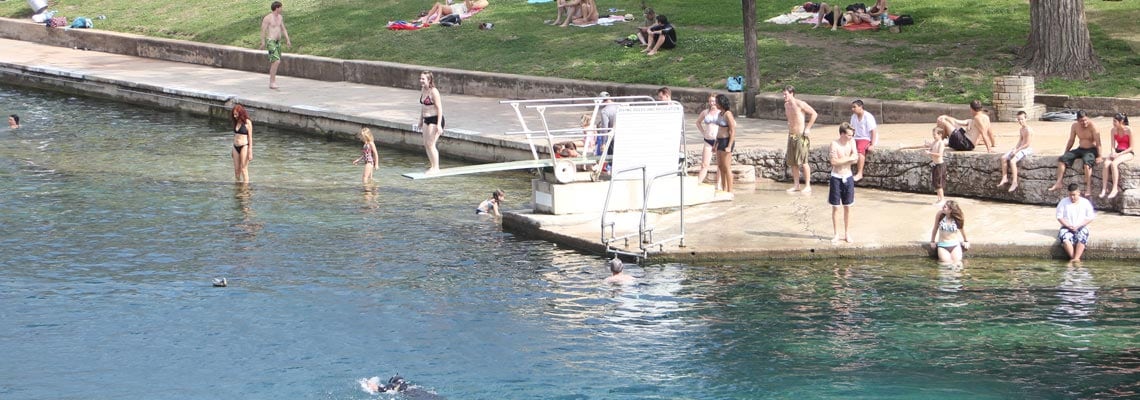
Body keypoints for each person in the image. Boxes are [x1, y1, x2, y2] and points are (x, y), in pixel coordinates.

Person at [1048, 110, 1102, 196]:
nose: (1084, 122)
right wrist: (1066, 152)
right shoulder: (1075, 126)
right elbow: (1071, 140)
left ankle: (1088, 188)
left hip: (1091, 149)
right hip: (1080, 149)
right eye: (1081, 121)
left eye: (1085, 120)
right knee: (1062, 159)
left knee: (1087, 164)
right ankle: (1059, 182)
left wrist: (1100, 156)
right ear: (1077, 120)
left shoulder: (1093, 126)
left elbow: (1098, 143)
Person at [783, 85, 818, 193]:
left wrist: (808, 128)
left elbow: (814, 114)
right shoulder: (786, 105)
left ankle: (808, 185)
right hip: (791, 135)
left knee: (803, 161)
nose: (784, 96)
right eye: (783, 94)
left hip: (801, 135)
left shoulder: (800, 104)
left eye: (786, 94)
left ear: (792, 93)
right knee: (793, 162)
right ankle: (796, 185)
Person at [828, 122, 859, 243]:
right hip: (836, 177)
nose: (851, 137)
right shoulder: (834, 144)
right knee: (836, 207)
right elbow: (834, 162)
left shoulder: (852, 142)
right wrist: (849, 158)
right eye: (849, 135)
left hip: (848, 176)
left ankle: (847, 233)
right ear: (842, 134)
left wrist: (845, 160)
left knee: (848, 207)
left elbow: (855, 159)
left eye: (852, 135)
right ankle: (836, 234)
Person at [1056, 183, 1095, 262]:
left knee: (1082, 238)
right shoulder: (1063, 202)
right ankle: (1073, 257)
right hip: (1067, 227)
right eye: (1070, 195)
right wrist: (1068, 225)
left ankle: (1076, 258)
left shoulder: (1085, 202)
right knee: (1065, 238)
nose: (1072, 197)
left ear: (1078, 193)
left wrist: (1079, 225)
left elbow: (1090, 217)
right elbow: (1059, 217)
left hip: (1081, 226)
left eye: (1074, 195)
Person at [997, 111, 1034, 192]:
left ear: (1026, 119)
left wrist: (1017, 150)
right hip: (1020, 147)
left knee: (1012, 161)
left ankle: (1014, 182)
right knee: (1003, 158)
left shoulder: (1028, 130)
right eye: (1019, 119)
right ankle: (1004, 177)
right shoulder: (1021, 129)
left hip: (1026, 149)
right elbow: (1020, 140)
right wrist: (1015, 148)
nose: (1020, 121)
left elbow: (1027, 144)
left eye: (1022, 119)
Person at [259, 1, 292, 90]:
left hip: (278, 42)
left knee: (276, 62)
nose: (282, 9)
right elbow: (263, 30)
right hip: (271, 41)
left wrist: (288, 40)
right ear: (277, 8)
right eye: (281, 7)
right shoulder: (268, 18)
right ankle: (272, 82)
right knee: (276, 61)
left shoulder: (280, 17)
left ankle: (272, 81)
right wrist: (263, 42)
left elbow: (283, 29)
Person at [1099, 113, 1132, 199]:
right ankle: (1104, 188)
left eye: (1115, 121)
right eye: (1113, 121)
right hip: (1117, 151)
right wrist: (1113, 152)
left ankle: (1115, 188)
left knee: (1114, 164)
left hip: (1127, 152)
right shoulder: (1113, 130)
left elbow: (1131, 147)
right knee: (1106, 164)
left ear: (1121, 121)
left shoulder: (1128, 130)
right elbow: (1113, 146)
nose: (1113, 123)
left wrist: (1119, 154)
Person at [928, 200, 970, 267]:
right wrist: (932, 241)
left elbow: (962, 229)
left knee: (958, 264)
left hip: (955, 245)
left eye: (945, 207)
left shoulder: (957, 218)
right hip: (943, 246)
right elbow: (935, 228)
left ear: (950, 210)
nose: (942, 207)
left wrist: (966, 241)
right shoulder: (940, 214)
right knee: (945, 264)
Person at [418, 71, 444, 174]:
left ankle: (436, 168)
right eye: (420, 78)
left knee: (431, 144)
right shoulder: (423, 89)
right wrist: (420, 120)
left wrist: (439, 125)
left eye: (423, 79)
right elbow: (423, 106)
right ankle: (432, 166)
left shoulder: (434, 92)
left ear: (429, 80)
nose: (421, 81)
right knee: (425, 144)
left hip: (435, 119)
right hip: (426, 119)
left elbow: (440, 109)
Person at [693, 94, 720, 185]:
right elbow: (698, 122)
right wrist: (703, 132)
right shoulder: (705, 112)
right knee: (704, 164)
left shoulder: (721, 112)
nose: (712, 103)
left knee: (719, 165)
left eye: (713, 101)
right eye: (710, 101)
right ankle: (698, 182)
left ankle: (719, 184)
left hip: (718, 140)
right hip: (708, 140)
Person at [713, 94, 738, 193]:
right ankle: (724, 188)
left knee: (727, 167)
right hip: (719, 141)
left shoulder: (728, 114)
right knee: (720, 166)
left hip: (726, 141)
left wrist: (729, 146)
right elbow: (719, 130)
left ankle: (730, 190)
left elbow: (732, 131)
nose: (715, 104)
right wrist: (715, 144)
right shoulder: (720, 114)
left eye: (717, 102)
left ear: (721, 103)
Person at [849, 99, 877, 181]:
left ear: (860, 107)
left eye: (854, 107)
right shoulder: (853, 117)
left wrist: (872, 144)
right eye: (852, 107)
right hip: (855, 137)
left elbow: (873, 131)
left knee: (860, 150)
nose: (852, 109)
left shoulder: (868, 117)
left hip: (866, 138)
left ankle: (860, 173)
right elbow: (851, 129)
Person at [231, 104, 254, 183]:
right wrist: (232, 150)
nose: (234, 116)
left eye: (236, 114)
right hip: (235, 146)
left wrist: (250, 151)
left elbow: (250, 137)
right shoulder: (236, 122)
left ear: (240, 113)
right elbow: (235, 136)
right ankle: (237, 186)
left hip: (244, 146)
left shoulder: (247, 122)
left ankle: (245, 187)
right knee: (236, 170)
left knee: (244, 169)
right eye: (233, 114)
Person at [926, 125, 948, 205]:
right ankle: (939, 199)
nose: (933, 136)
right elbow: (931, 148)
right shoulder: (934, 142)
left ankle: (942, 199)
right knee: (935, 183)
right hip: (935, 164)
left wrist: (930, 153)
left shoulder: (941, 143)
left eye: (935, 135)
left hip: (940, 165)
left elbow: (939, 154)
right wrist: (928, 148)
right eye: (933, 134)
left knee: (939, 183)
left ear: (940, 135)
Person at [422, 0, 488, 24]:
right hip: (453, 7)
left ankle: (436, 19)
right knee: (438, 5)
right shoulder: (469, 3)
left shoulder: (471, 5)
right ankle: (427, 18)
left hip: (455, 9)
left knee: (438, 4)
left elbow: (470, 7)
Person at [594, 92, 618, 156]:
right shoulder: (619, 106)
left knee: (611, 157)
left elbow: (605, 128)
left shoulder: (604, 111)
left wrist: (603, 143)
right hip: (623, 136)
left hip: (612, 138)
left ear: (602, 100)